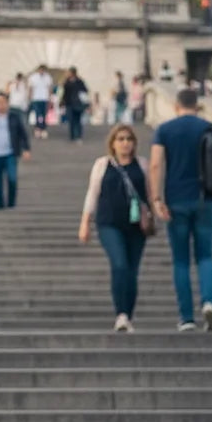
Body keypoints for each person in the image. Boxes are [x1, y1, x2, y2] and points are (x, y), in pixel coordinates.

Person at [149, 88, 212, 331]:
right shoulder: (209, 128)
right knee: (205, 256)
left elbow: (156, 164)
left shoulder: (165, 129)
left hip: (176, 200)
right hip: (206, 198)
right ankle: (209, 302)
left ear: (176, 105)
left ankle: (186, 318)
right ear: (197, 105)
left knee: (180, 260)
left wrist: (157, 198)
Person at [78, 124, 151, 332]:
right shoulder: (102, 165)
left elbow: (151, 192)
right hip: (109, 223)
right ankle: (120, 313)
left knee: (132, 271)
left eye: (129, 139)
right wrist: (85, 222)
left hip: (136, 226)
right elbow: (92, 193)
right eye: (120, 139)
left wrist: (154, 213)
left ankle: (128, 314)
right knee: (119, 264)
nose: (125, 143)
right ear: (112, 143)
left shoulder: (143, 165)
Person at [0, 92, 31, 209]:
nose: (0, 105)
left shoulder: (14, 117)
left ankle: (11, 204)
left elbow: (23, 133)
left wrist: (26, 149)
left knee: (12, 179)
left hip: (10, 153)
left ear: (7, 103)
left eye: (2, 103)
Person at [60, 67, 90, 143]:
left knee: (78, 120)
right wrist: (62, 101)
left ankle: (78, 136)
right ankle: (73, 136)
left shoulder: (79, 81)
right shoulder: (67, 82)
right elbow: (64, 93)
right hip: (69, 103)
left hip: (78, 103)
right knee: (71, 120)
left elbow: (85, 91)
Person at [27, 63, 54, 139]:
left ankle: (43, 128)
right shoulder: (33, 77)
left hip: (44, 99)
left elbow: (49, 89)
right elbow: (30, 88)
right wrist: (30, 98)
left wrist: (50, 98)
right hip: (36, 99)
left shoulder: (48, 77)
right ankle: (38, 128)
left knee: (44, 115)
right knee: (38, 114)